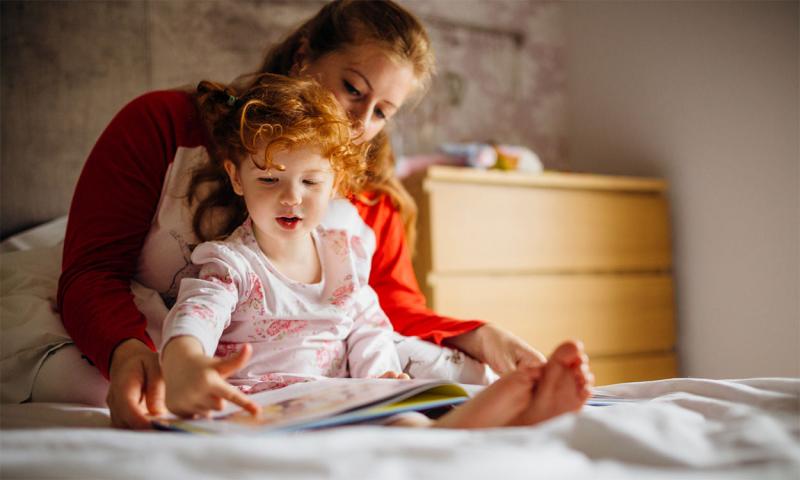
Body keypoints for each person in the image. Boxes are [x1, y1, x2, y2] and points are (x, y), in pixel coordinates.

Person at [53, 0, 546, 429]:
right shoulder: (162, 126)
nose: (359, 123)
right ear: (304, 56)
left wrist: (480, 337)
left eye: (381, 112)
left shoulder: (365, 203)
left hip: (318, 356)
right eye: (353, 89)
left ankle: (483, 414)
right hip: (175, 341)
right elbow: (94, 270)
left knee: (438, 365)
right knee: (84, 379)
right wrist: (127, 353)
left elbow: (384, 305)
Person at [160, 74, 411, 417]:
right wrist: (186, 360)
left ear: (334, 182)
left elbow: (369, 328)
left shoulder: (344, 256)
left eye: (310, 181)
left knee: (406, 421)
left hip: (336, 403)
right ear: (236, 178)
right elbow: (198, 313)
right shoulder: (233, 265)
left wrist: (380, 377)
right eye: (269, 179)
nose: (291, 197)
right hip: (258, 407)